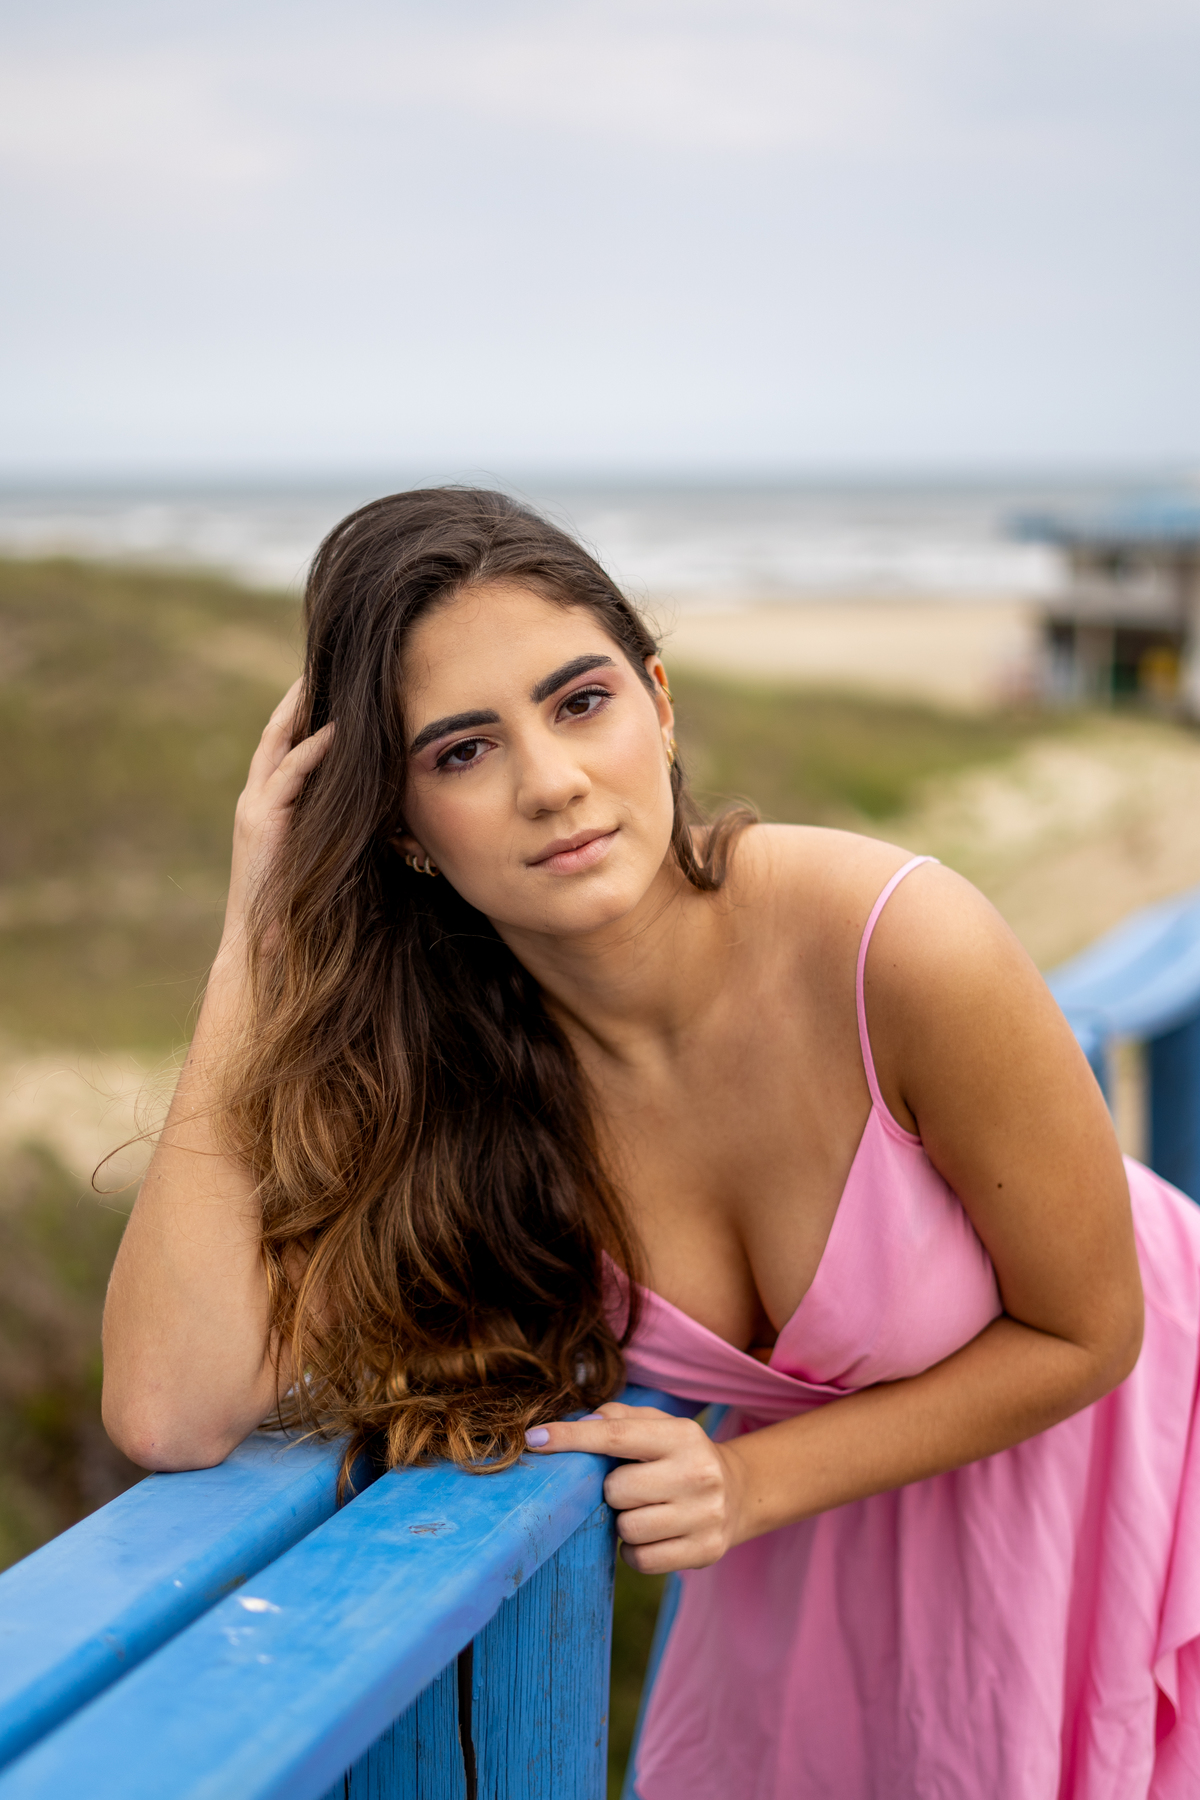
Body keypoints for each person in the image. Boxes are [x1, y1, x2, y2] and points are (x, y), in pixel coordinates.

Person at [102, 488, 1200, 1799]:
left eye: (581, 702)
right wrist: (257, 931)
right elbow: (170, 1408)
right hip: (830, 1579)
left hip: (1131, 1489)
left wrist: (748, 1480)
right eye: (463, 751)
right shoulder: (458, 1094)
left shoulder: (898, 944)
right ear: (400, 828)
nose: (551, 782)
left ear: (660, 704)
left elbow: (1093, 1332)